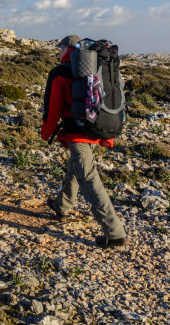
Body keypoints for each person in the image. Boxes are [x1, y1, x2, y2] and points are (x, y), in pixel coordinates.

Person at [40, 34, 128, 248]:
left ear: (67, 48)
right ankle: (62, 206)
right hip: (97, 127)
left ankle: (114, 233)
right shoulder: (96, 68)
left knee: (88, 177)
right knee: (77, 165)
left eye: (60, 46)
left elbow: (52, 109)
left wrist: (46, 132)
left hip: (76, 132)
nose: (58, 50)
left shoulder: (61, 72)